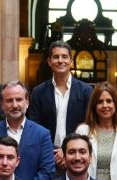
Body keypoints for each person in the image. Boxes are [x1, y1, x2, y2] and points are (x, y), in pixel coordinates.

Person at [0, 81, 57, 180]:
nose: (15, 105)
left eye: (19, 100)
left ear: (27, 102)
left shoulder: (42, 134)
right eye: (9, 100)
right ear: (2, 104)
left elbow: (47, 172)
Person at [28, 40, 93, 169]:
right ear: (49, 61)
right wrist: (54, 152)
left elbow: (89, 124)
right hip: (47, 156)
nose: (60, 60)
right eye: (56, 57)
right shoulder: (38, 92)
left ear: (71, 61)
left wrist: (68, 150)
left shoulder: (86, 91)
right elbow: (35, 126)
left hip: (78, 156)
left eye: (64, 56)